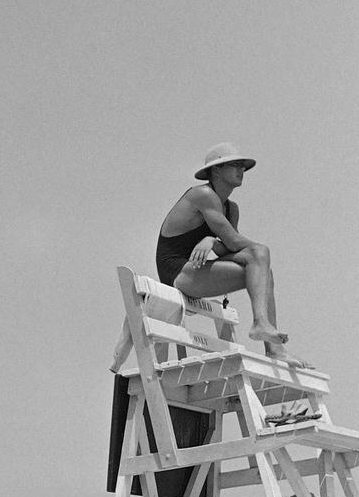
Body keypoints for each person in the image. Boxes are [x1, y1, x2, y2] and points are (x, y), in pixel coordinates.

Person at [117, 142, 300, 367]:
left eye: (243, 166)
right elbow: (234, 242)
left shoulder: (231, 208)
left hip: (197, 270)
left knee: (261, 268)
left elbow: (234, 249)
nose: (241, 170)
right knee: (260, 254)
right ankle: (260, 323)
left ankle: (274, 350)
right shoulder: (202, 195)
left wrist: (212, 241)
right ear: (216, 170)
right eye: (234, 165)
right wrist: (218, 242)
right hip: (177, 272)